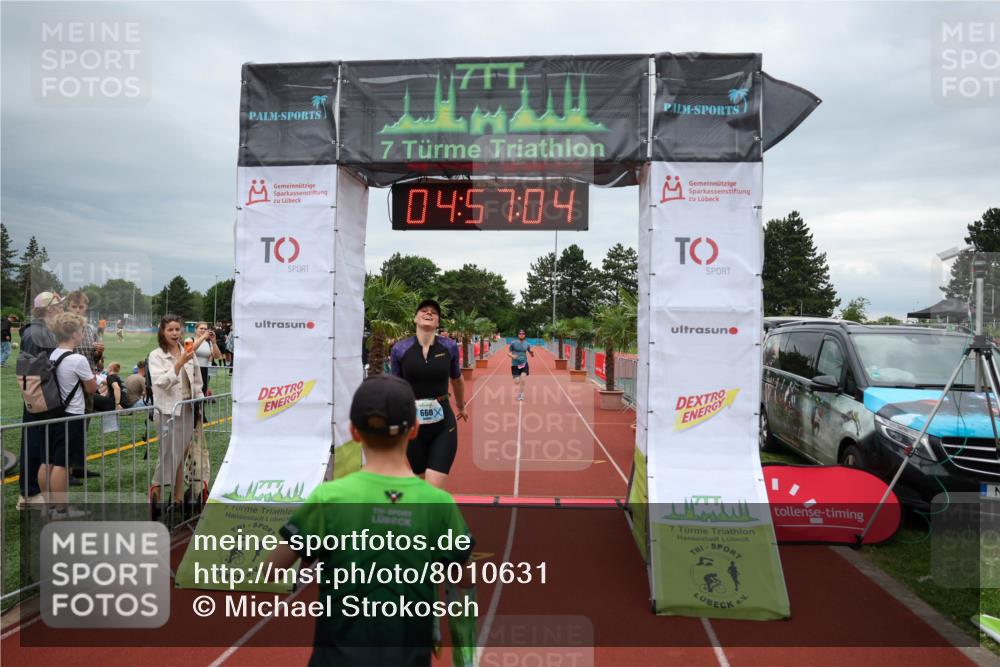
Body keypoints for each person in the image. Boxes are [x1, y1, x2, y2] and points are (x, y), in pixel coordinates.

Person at [265, 374, 475, 667]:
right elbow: (464, 578)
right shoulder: (438, 504)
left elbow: (272, 570)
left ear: (354, 431)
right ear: (414, 429)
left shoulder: (329, 499)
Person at [389, 299, 467, 489]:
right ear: (415, 318)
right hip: (413, 427)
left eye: (434, 312)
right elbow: (396, 386)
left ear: (438, 322)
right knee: (421, 485)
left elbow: (457, 379)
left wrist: (461, 406)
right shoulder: (400, 349)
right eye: (424, 310)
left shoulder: (448, 347)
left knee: (433, 487)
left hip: (443, 425)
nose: (429, 313)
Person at [38, 312, 97, 518]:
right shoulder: (77, 359)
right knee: (62, 464)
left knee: (47, 461)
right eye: (81, 331)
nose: (82, 334)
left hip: (51, 414)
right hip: (70, 415)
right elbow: (91, 388)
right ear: (73, 334)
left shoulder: (51, 354)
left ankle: (48, 506)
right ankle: (61, 509)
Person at [148, 314, 206, 507]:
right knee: (167, 454)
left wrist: (199, 401)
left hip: (188, 410)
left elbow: (197, 380)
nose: (174, 333)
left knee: (181, 454)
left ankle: (178, 499)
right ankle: (155, 492)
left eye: (177, 329)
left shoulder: (188, 351)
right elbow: (161, 383)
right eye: (170, 329)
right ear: (162, 332)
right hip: (168, 412)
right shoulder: (156, 355)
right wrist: (179, 362)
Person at [17, 292, 63, 508]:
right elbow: (31, 373)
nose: (62, 308)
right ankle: (29, 493)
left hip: (46, 396)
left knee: (43, 444)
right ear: (49, 308)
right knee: (35, 444)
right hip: (40, 398)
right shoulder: (36, 333)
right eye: (59, 305)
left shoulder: (43, 330)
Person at [65, 291, 104, 372]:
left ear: (86, 307)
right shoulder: (61, 329)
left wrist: (98, 352)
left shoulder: (92, 330)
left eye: (81, 307)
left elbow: (95, 360)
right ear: (68, 307)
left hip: (88, 376)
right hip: (69, 376)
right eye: (74, 307)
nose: (78, 310)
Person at [193, 322, 223, 393]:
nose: (203, 330)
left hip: (204, 371)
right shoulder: (190, 339)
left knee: (202, 393)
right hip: (193, 370)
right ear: (195, 330)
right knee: (193, 394)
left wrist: (214, 342)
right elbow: (190, 350)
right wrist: (203, 337)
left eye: (205, 329)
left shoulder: (208, 343)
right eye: (201, 328)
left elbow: (217, 356)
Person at [508, 329, 535, 401]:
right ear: (518, 335)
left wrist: (532, 352)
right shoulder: (513, 343)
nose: (521, 334)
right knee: (517, 382)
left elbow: (532, 355)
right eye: (520, 333)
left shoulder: (527, 344)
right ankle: (518, 377)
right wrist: (513, 356)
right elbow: (508, 353)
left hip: (524, 363)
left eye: (523, 333)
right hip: (515, 364)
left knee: (523, 379)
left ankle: (521, 394)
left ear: (524, 335)